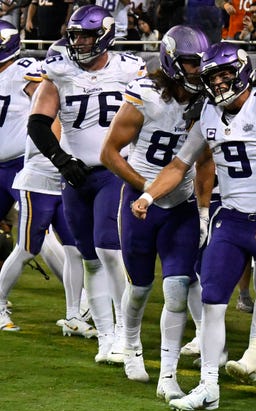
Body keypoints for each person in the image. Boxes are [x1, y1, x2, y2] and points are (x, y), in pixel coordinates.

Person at [131, 41, 256, 411]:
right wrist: (148, 196)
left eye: (224, 75)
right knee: (212, 300)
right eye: (212, 78)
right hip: (231, 220)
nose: (219, 84)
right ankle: (209, 387)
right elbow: (179, 164)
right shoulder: (207, 114)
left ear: (242, 72)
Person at [27, 5, 147, 362]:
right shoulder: (59, 70)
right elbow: (37, 123)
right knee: (89, 258)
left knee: (110, 250)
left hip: (115, 171)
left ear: (104, 35)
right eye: (75, 35)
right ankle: (106, 338)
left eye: (85, 35)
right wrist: (62, 160)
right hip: (75, 175)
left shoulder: (129, 69)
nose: (78, 42)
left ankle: (128, 336)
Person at [100, 25, 211, 397]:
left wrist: (204, 210)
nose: (197, 70)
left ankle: (169, 376)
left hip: (180, 205)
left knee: (178, 289)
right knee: (141, 287)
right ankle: (129, 342)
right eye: (190, 63)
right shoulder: (145, 95)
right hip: (139, 202)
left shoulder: (208, 98)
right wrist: (146, 187)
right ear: (171, 60)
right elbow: (109, 153)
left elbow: (206, 159)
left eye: (199, 63)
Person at [0, 37, 95, 338]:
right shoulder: (47, 92)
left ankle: (73, 314)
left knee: (74, 249)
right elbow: (47, 130)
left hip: (63, 182)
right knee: (28, 248)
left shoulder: (79, 92)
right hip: (39, 179)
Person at [0, 19, 42, 331]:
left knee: (40, 232)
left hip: (19, 164)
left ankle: (78, 304)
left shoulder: (23, 69)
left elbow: (47, 101)